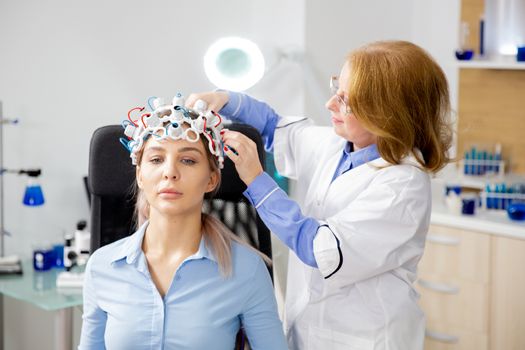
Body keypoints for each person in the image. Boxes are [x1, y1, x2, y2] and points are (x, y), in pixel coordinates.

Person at [186, 40, 453, 350]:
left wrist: (258, 182)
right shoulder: (338, 146)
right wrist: (227, 98)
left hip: (366, 339)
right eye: (336, 87)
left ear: (388, 115)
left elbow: (318, 247)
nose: (330, 104)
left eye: (346, 100)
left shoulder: (402, 186)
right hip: (309, 330)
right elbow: (274, 127)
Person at [78, 96, 288, 350]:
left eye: (188, 160)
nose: (170, 172)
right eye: (156, 159)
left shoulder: (246, 269)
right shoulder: (102, 266)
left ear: (211, 179)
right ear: (140, 175)